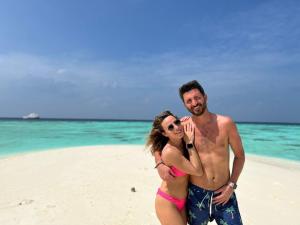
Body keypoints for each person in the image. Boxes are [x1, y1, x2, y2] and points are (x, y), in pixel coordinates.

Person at [154, 80, 245, 225]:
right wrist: (159, 163)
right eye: (189, 101)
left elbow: (240, 156)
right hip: (196, 196)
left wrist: (231, 185)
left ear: (205, 97)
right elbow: (159, 144)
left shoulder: (226, 124)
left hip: (224, 193)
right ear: (185, 105)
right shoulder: (182, 126)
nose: (194, 103)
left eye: (197, 98)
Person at [146, 110, 204, 225]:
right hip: (168, 202)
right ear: (165, 133)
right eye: (170, 127)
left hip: (182, 201)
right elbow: (197, 171)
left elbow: (156, 147)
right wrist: (189, 141)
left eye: (177, 122)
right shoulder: (170, 151)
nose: (176, 127)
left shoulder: (181, 140)